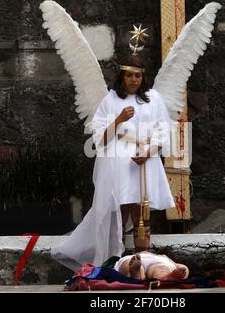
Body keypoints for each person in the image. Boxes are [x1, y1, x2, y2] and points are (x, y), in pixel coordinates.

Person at [51, 53, 176, 270]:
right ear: (122, 77)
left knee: (142, 211)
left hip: (146, 159)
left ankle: (142, 258)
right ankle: (116, 259)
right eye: (129, 75)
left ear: (142, 77)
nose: (133, 80)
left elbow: (164, 132)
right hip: (120, 160)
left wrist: (149, 152)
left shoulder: (153, 98)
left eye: (137, 75)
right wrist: (118, 119)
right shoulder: (111, 100)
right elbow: (100, 137)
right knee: (122, 207)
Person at [114, 251, 189, 281]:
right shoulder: (164, 257)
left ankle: (137, 276)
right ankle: (137, 274)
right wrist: (184, 270)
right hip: (136, 259)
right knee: (161, 269)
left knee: (161, 268)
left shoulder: (165, 258)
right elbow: (182, 267)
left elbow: (182, 267)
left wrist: (184, 271)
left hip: (138, 259)